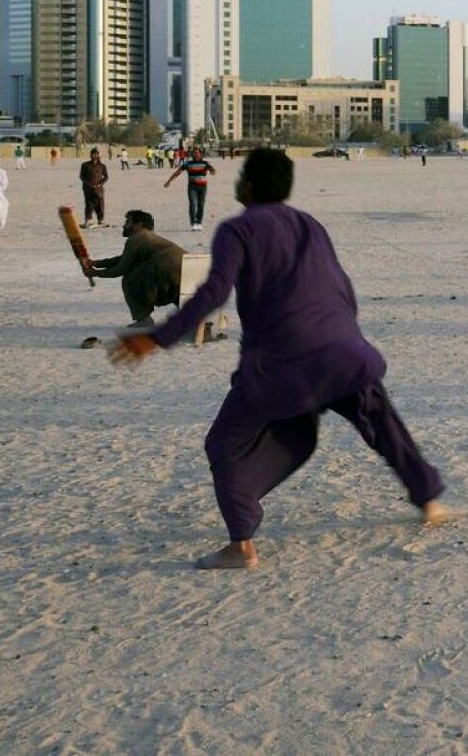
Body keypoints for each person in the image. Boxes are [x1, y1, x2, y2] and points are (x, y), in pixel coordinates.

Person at [109, 148, 449, 570]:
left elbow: (215, 292)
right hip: (346, 351)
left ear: (248, 185)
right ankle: (429, 500)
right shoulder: (310, 224)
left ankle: (242, 545)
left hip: (282, 365)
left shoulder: (238, 230)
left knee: (225, 442)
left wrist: (158, 339)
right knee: (382, 424)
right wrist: (343, 334)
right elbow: (341, 285)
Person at [86, 210, 186, 324]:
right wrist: (95, 264)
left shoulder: (137, 238)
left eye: (128, 222)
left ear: (139, 224)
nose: (124, 226)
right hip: (188, 269)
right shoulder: (150, 238)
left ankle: (143, 319)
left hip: (165, 270)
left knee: (130, 280)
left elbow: (121, 269)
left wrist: (95, 273)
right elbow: (123, 259)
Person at [165, 147, 218, 232]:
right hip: (192, 187)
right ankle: (193, 223)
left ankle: (199, 223)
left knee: (201, 205)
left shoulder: (205, 163)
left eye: (197, 153)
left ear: (200, 154)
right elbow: (177, 172)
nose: (196, 154)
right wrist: (169, 181)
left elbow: (213, 171)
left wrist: (212, 171)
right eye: (194, 153)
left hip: (203, 187)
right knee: (193, 205)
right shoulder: (188, 164)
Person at [79, 147, 109, 227]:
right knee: (89, 204)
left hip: (99, 189)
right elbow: (82, 176)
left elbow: (106, 177)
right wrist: (89, 184)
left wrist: (100, 184)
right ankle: (88, 220)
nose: (95, 156)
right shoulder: (85, 165)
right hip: (88, 189)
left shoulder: (102, 166)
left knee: (100, 204)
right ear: (91, 155)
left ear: (99, 155)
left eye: (96, 154)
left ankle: (100, 220)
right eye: (93, 154)